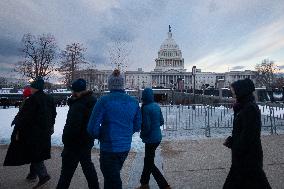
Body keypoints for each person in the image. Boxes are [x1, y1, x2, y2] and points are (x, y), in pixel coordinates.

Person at [87, 69, 142, 189]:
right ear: (123, 84)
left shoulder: (103, 101)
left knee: (112, 180)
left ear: (110, 84)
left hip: (109, 147)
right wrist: (126, 133)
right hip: (125, 147)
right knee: (112, 176)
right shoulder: (133, 102)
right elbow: (138, 125)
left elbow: (92, 128)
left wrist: (102, 135)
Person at [4, 77, 57, 189]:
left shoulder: (32, 100)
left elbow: (25, 118)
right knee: (37, 151)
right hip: (45, 131)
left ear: (35, 88)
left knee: (34, 152)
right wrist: (49, 126)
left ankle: (43, 175)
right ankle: (32, 174)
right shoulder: (50, 98)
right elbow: (54, 114)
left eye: (32, 87)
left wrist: (18, 129)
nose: (30, 89)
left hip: (33, 132)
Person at [223, 78, 271, 189]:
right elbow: (242, 132)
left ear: (242, 91)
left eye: (234, 91)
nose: (233, 93)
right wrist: (233, 140)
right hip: (244, 156)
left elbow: (249, 135)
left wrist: (234, 144)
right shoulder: (242, 106)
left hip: (248, 156)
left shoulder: (250, 108)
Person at [56, 78, 99, 189]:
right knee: (88, 168)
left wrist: (66, 140)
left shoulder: (78, 104)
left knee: (66, 174)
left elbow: (72, 127)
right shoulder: (92, 101)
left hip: (74, 144)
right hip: (87, 141)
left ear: (75, 91)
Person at [136, 88, 171, 189]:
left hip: (150, 139)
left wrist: (143, 135)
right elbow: (161, 121)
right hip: (157, 137)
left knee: (149, 163)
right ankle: (144, 183)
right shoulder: (156, 106)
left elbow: (146, 126)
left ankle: (163, 185)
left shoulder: (145, 108)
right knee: (148, 161)